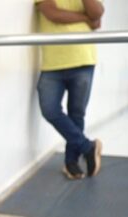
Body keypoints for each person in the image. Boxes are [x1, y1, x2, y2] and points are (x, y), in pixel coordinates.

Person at [35, 0, 104, 180]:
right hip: (53, 63)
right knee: (50, 109)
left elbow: (97, 14)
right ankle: (88, 147)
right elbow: (53, 14)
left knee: (77, 113)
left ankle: (71, 163)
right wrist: (85, 18)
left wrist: (90, 17)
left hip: (83, 58)